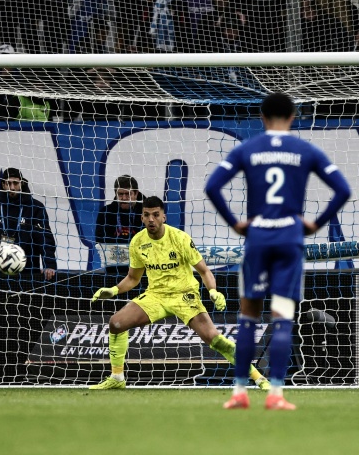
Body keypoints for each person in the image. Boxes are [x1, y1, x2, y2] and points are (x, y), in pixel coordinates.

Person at [205, 93, 351, 410]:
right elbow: (343, 189)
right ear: (293, 115)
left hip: (257, 238)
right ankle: (276, 395)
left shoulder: (248, 148)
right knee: (283, 317)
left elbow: (212, 186)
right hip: (289, 239)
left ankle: (240, 392)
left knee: (248, 317)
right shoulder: (304, 150)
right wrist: (315, 224)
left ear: (261, 117)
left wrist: (235, 223)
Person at [89, 196, 270, 392]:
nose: (151, 219)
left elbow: (204, 271)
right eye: (147, 215)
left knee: (215, 339)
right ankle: (117, 377)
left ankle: (258, 377)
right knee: (116, 323)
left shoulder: (180, 238)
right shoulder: (137, 242)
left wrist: (213, 291)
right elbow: (133, 278)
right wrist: (114, 290)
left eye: (156, 215)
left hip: (184, 295)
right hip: (155, 296)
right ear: (141, 218)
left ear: (163, 217)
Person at [0, 168, 57, 281]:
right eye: (8, 183)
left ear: (21, 183)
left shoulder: (36, 208)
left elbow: (45, 240)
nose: (12, 187)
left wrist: (50, 265)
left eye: (15, 183)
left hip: (29, 275)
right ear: (3, 184)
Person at [95, 175, 143, 277]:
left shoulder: (148, 212)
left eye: (128, 194)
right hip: (115, 270)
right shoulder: (106, 212)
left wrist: (119, 243)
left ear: (136, 193)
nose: (124, 198)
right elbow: (100, 239)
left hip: (143, 269)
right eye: (120, 194)